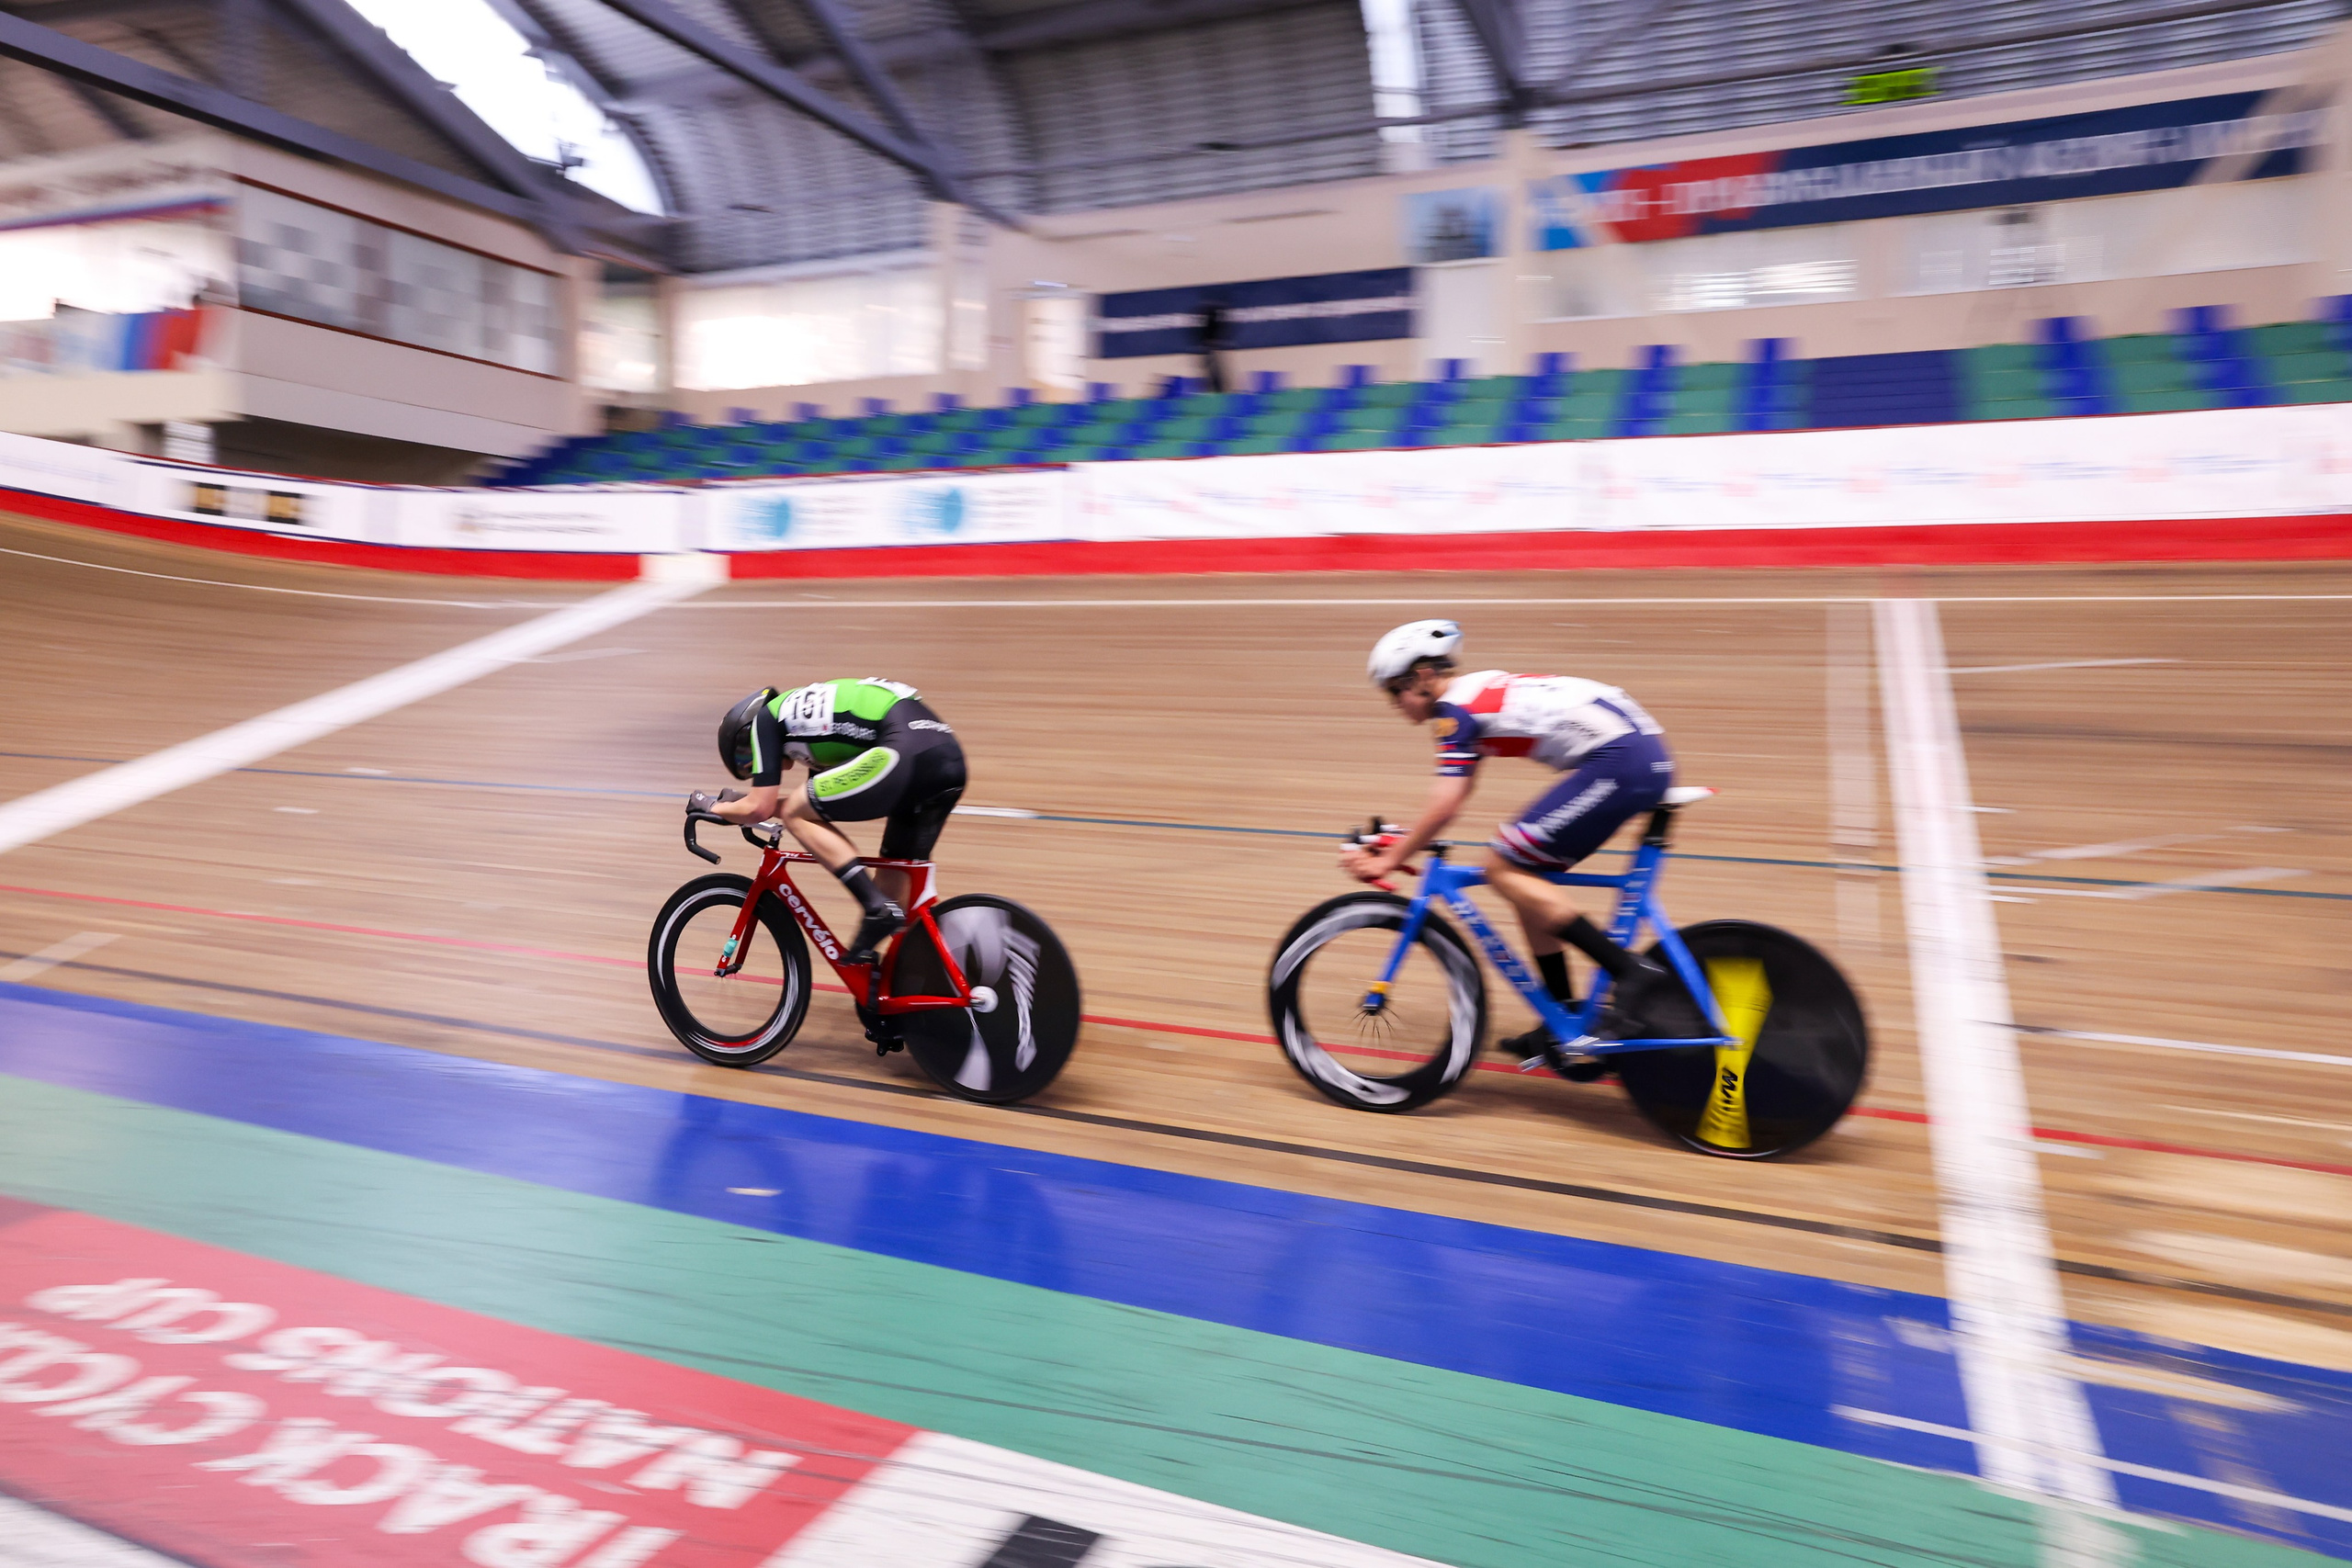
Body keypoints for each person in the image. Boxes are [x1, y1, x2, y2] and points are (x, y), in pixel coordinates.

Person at [1338, 620, 1680, 1071]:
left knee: (1502, 868)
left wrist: (1390, 859)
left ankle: (1631, 972)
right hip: (1634, 753)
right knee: (1523, 875)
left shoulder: (1453, 711)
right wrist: (1404, 846)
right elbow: (1454, 795)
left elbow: (1447, 803)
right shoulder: (1472, 693)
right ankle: (1563, 1015)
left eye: (1394, 691)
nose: (1394, 704)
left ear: (1422, 677)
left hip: (1621, 761)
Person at [694, 678, 966, 963]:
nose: (753, 768)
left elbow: (761, 808)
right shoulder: (812, 729)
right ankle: (905, 978)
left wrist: (713, 807)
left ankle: (875, 908)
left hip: (905, 750)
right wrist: (741, 805)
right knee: (893, 883)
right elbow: (813, 806)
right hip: (945, 757)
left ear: (746, 734)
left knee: (795, 813)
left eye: (745, 760)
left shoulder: (766, 720)